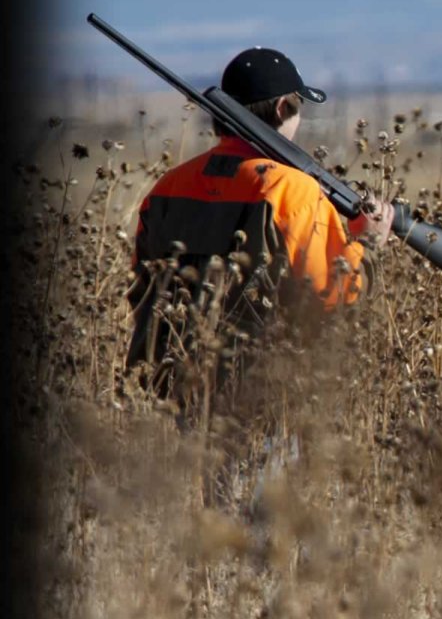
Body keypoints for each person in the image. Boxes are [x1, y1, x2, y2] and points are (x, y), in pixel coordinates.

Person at [126, 46, 394, 403]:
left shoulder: (167, 186)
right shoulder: (291, 189)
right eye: (299, 108)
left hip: (160, 391)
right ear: (284, 107)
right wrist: (369, 244)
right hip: (252, 403)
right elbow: (329, 296)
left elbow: (141, 288)